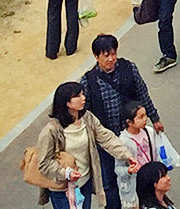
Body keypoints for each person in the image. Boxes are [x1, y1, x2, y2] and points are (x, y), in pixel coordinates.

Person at [82, 34, 163, 209]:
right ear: (96, 57)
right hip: (106, 141)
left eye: (113, 53)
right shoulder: (88, 81)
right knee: (109, 179)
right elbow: (85, 114)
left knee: (141, 172)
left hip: (132, 135)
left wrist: (154, 118)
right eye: (106, 55)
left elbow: (143, 94)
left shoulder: (129, 69)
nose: (111, 59)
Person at [36, 80, 139, 209]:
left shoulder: (87, 118)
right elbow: (44, 163)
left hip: (85, 182)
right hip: (62, 189)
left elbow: (106, 138)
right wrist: (66, 173)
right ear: (67, 103)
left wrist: (126, 155)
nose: (83, 98)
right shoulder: (51, 131)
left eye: (83, 94)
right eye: (78, 96)